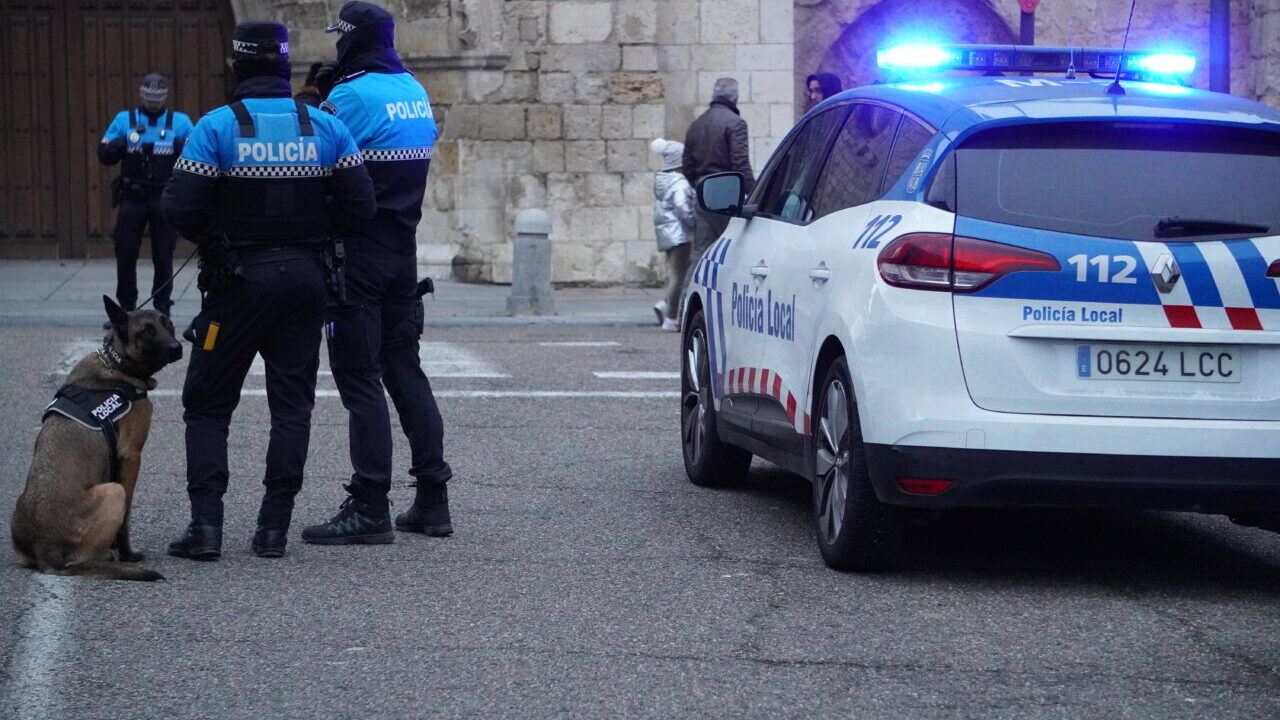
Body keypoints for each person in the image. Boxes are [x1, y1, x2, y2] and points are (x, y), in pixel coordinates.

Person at [162, 21, 376, 560]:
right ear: (284, 67)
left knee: (207, 404)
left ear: (237, 66)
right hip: (305, 283)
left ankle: (206, 529)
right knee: (292, 407)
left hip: (237, 285)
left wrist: (216, 238)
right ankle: (273, 530)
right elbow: (362, 207)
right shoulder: (324, 124)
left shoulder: (217, 126)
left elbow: (178, 208)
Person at [300, 1, 455, 545]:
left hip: (356, 256)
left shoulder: (350, 94)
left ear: (353, 39)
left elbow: (311, 155)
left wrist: (316, 101)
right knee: (404, 369)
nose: (336, 47)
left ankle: (369, 504)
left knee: (359, 378)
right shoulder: (412, 88)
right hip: (402, 251)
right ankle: (433, 499)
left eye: (341, 38)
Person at [98, 74, 193, 319]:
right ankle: (127, 309)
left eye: (157, 97)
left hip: (163, 198)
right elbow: (105, 153)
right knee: (126, 252)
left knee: (164, 254)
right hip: (133, 198)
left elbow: (195, 152)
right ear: (141, 93)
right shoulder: (125, 120)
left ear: (166, 96)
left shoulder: (179, 122)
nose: (153, 102)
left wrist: (175, 145)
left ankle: (162, 309)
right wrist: (126, 143)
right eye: (149, 97)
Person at [682, 77, 754, 273]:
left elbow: (687, 166)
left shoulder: (697, 124)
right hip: (728, 197)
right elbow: (740, 164)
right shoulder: (735, 123)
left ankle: (686, 302)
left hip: (703, 195)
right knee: (733, 252)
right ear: (735, 97)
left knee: (701, 253)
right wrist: (754, 193)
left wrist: (701, 186)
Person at [648, 138, 694, 333]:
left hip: (668, 235)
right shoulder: (680, 183)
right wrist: (695, 225)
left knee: (675, 274)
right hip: (680, 235)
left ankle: (665, 304)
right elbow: (683, 209)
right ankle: (671, 317)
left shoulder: (664, 181)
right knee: (680, 277)